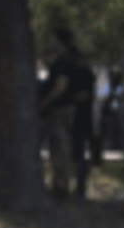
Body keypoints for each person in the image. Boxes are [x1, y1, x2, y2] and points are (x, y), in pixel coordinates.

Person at [38, 28, 80, 200]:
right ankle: (59, 185)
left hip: (60, 110)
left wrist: (45, 103)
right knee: (57, 149)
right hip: (61, 109)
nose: (53, 44)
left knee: (59, 148)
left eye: (55, 41)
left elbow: (60, 86)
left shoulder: (64, 62)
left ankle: (61, 188)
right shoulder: (66, 60)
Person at [69, 53, 97, 197]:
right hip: (85, 121)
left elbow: (83, 97)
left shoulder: (84, 80)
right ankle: (80, 184)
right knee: (80, 154)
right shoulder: (89, 78)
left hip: (81, 121)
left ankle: (80, 185)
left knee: (79, 154)